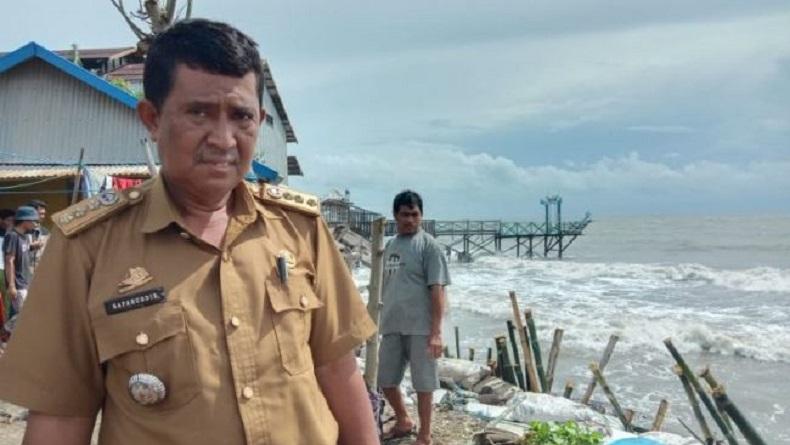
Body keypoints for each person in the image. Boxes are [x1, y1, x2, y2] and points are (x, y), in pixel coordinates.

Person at [0, 19, 378, 445]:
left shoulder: (300, 229)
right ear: (152, 119)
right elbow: (60, 419)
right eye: (199, 112)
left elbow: (338, 370)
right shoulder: (87, 247)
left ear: (260, 121)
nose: (223, 138)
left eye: (241, 117)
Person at [378, 190, 451, 445]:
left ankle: (425, 434)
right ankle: (403, 419)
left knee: (424, 384)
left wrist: (436, 332)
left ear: (421, 216)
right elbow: (381, 286)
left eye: (415, 214)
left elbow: (438, 289)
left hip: (421, 327)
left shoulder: (429, 246)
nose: (410, 219)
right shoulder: (390, 246)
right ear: (395, 215)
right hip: (391, 325)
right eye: (405, 214)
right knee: (385, 379)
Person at [2, 206, 39, 334]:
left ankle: (8, 336)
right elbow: (9, 261)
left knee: (25, 314)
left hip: (24, 281)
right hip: (17, 283)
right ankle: (5, 333)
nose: (36, 224)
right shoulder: (12, 236)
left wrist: (33, 247)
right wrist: (11, 285)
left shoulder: (23, 237)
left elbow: (23, 253)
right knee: (23, 316)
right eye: (33, 221)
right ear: (25, 221)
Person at [26, 199, 49, 270]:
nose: (43, 216)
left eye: (44, 214)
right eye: (40, 214)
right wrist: (29, 247)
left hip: (41, 273)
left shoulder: (46, 232)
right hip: (24, 275)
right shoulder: (20, 231)